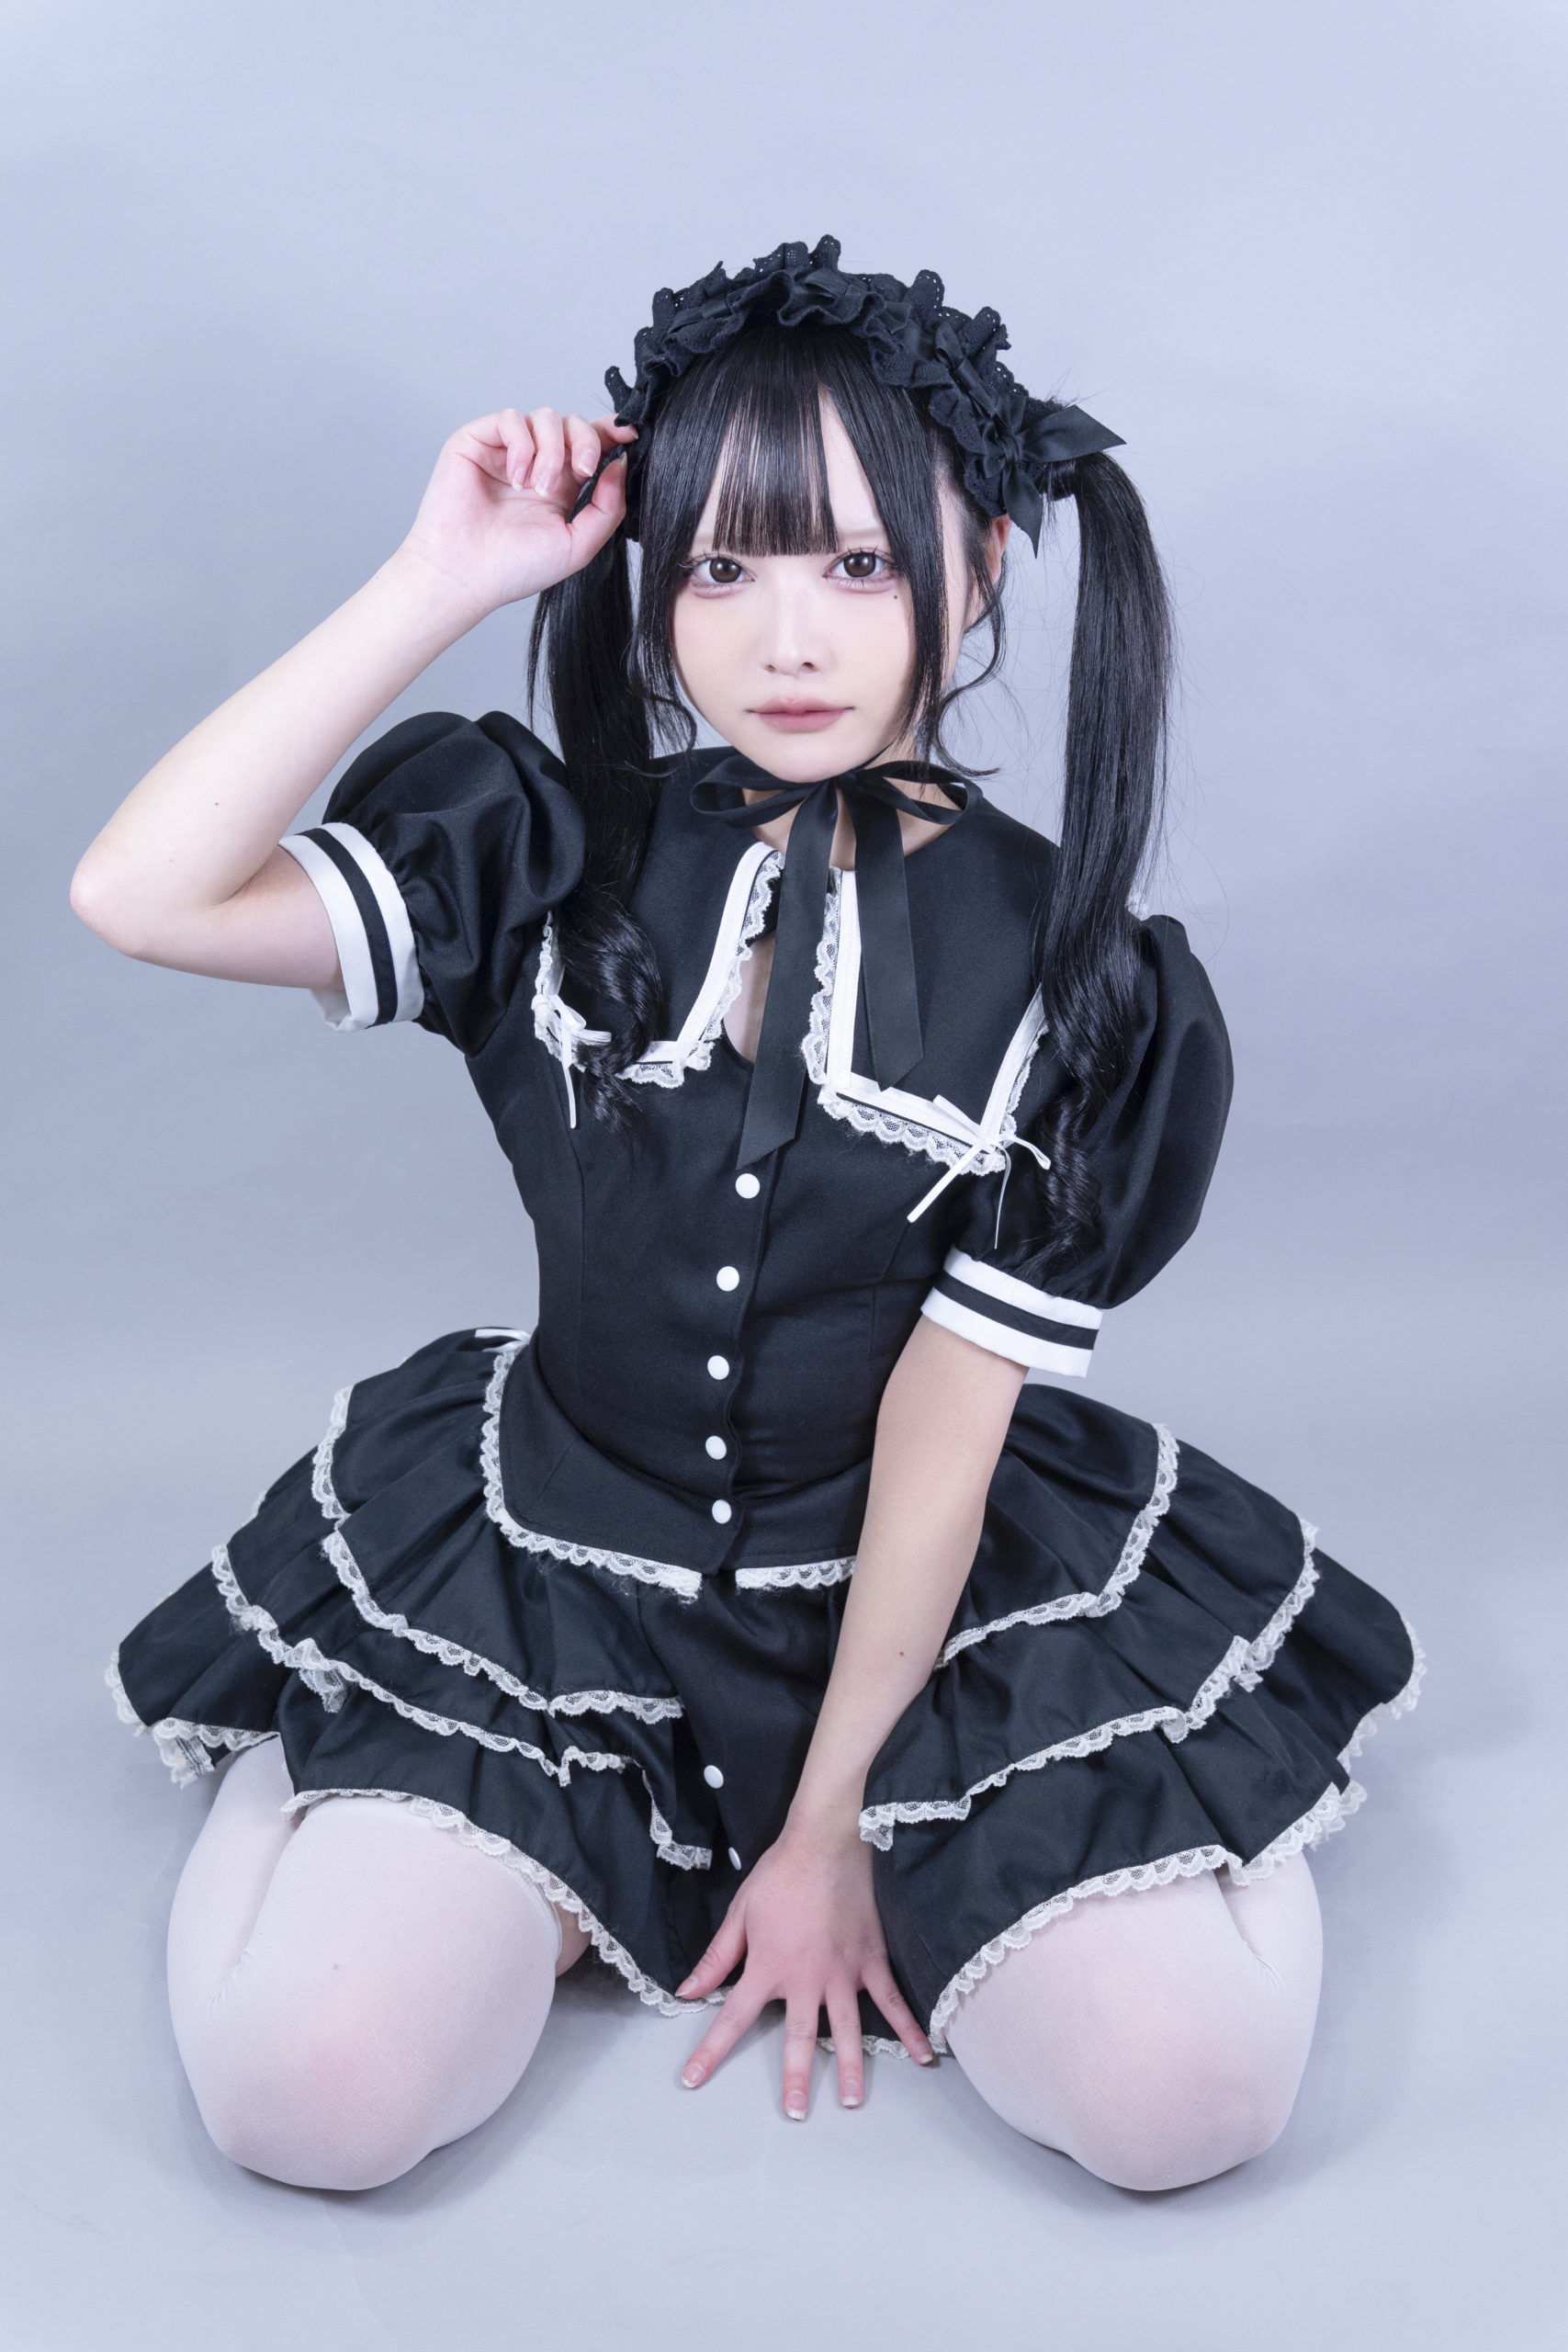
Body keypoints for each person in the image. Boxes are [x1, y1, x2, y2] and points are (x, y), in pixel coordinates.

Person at [74, 238, 1421, 2197]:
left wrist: (834, 1830)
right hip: (558, 1570)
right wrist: (439, 580)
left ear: (979, 563)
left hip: (932, 1588)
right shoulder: (545, 847)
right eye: (720, 569)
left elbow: (945, 1421)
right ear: (652, 580)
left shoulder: (1072, 973)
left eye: (858, 565)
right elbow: (142, 895)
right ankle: (356, 1745)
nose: (786, 641)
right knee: (308, 2101)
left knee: (1183, 2105)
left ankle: (1181, 1811)